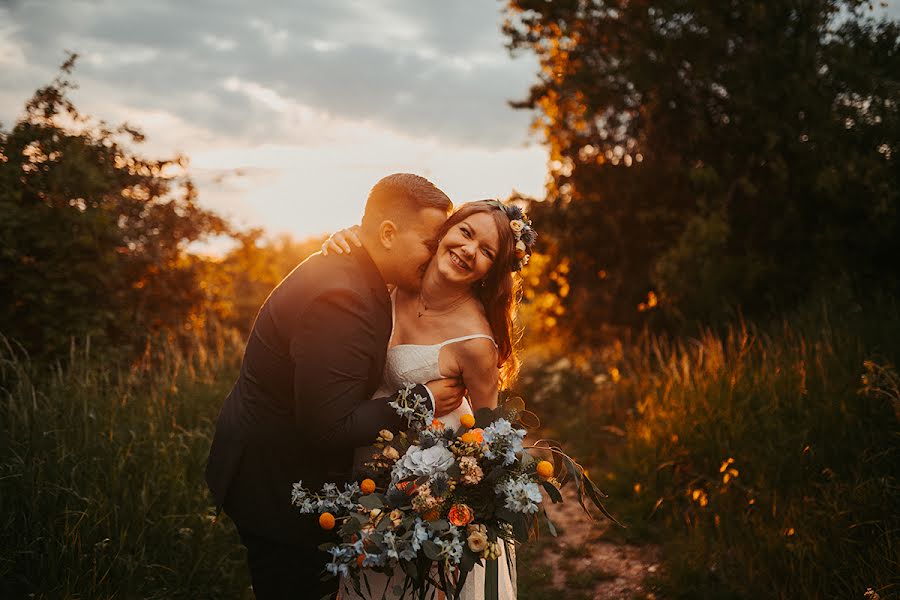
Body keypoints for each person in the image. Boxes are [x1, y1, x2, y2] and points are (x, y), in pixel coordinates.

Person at [205, 174, 468, 600]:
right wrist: (423, 400)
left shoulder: (358, 267)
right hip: (277, 487)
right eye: (429, 243)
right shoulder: (340, 298)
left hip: (286, 472)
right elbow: (328, 426)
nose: (437, 255)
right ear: (386, 233)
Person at [322, 199, 536, 599]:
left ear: (492, 269)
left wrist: (455, 502)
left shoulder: (475, 343)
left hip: (431, 492)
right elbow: (373, 249)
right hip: (367, 464)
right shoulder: (393, 282)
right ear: (444, 233)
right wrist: (345, 243)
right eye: (466, 233)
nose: (469, 249)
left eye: (487, 251)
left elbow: (491, 440)